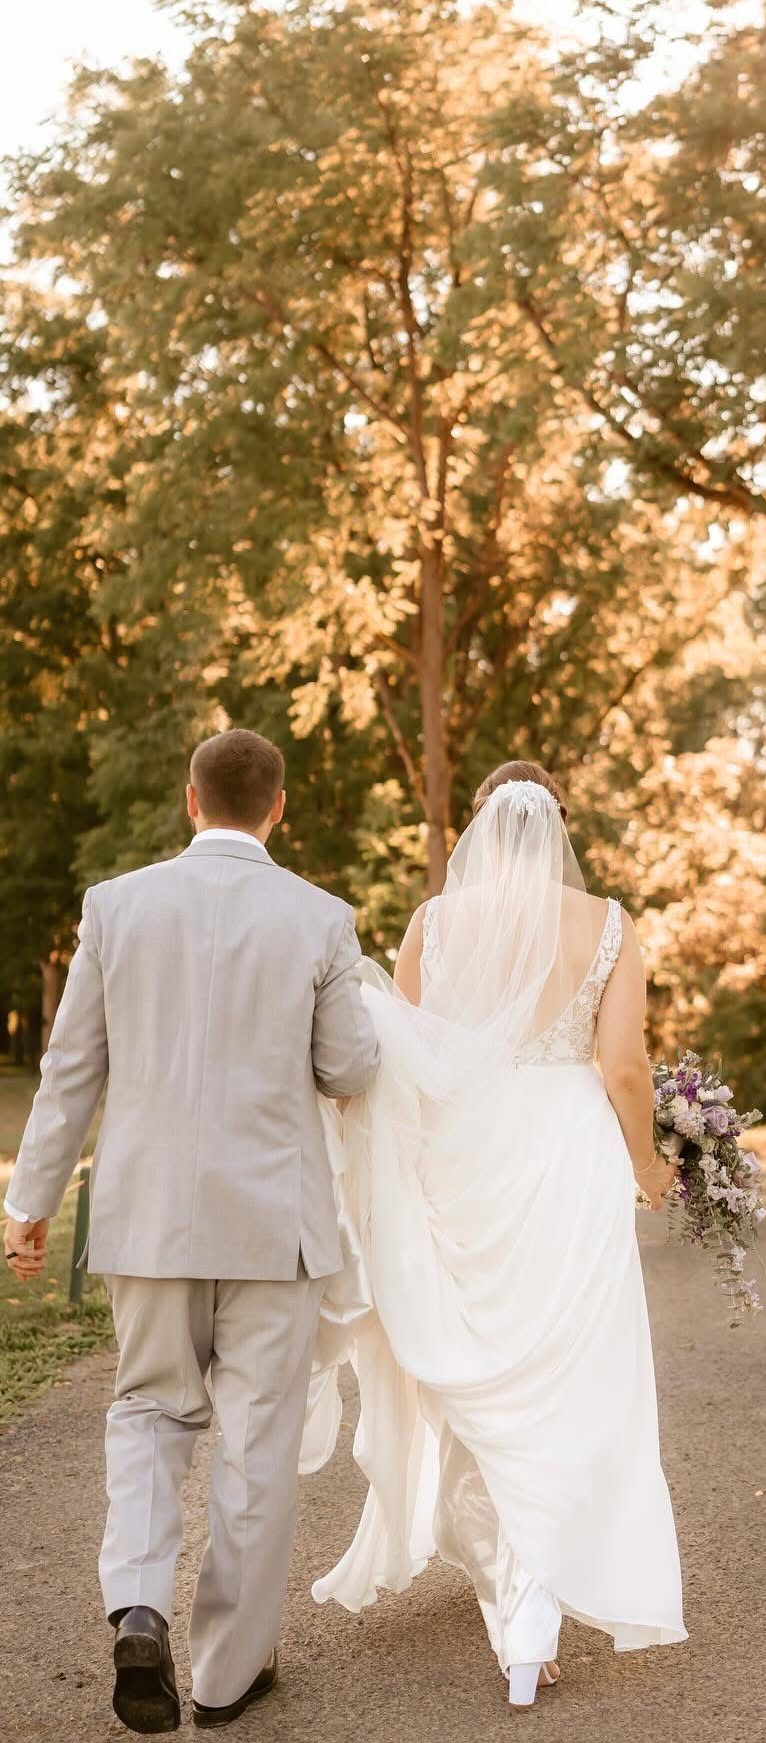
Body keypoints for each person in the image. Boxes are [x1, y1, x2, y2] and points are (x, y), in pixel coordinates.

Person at [4, 728, 380, 1733]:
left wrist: (28, 1203)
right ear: (279, 808)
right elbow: (349, 1068)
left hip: (149, 1221)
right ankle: (225, 1677)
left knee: (148, 1415)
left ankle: (138, 1604)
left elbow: (71, 1067)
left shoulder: (115, 908)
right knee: (255, 1444)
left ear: (189, 800)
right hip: (274, 1225)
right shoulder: (321, 918)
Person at [302, 759, 687, 1708]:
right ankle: (535, 1598)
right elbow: (626, 1068)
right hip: (567, 1151)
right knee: (569, 1370)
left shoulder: (436, 923)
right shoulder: (605, 922)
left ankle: (520, 1601)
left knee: (482, 1363)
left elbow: (409, 1060)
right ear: (560, 822)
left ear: (478, 827)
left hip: (465, 1153)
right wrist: (647, 1168)